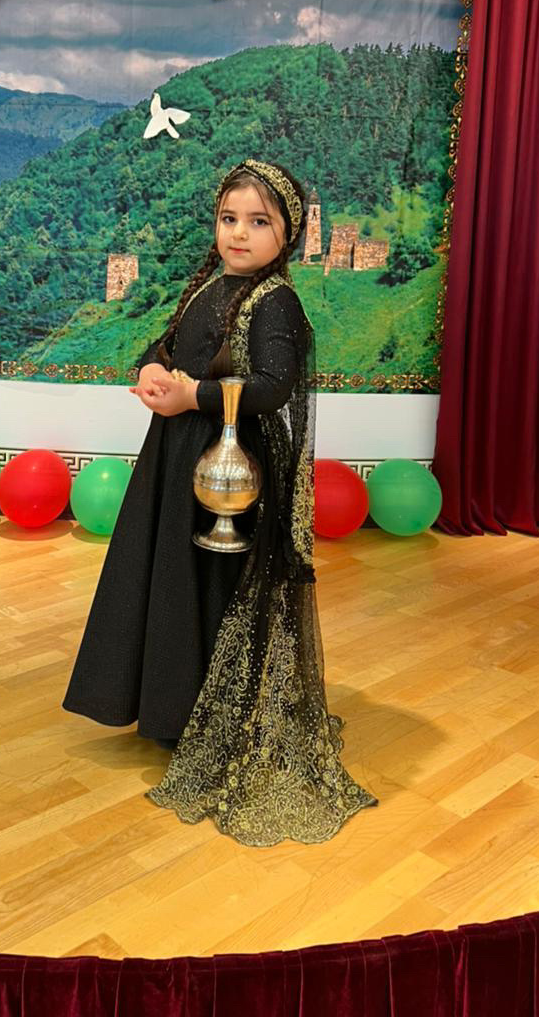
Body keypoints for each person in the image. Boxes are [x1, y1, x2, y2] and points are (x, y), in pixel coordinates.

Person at [62, 159, 376, 846]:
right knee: (168, 574)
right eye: (229, 218)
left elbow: (271, 386)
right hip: (179, 455)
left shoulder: (276, 302)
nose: (239, 233)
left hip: (229, 466)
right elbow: (170, 341)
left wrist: (194, 396)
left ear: (287, 234)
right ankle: (165, 703)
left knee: (210, 580)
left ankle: (210, 711)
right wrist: (152, 366)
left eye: (258, 222)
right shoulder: (211, 283)